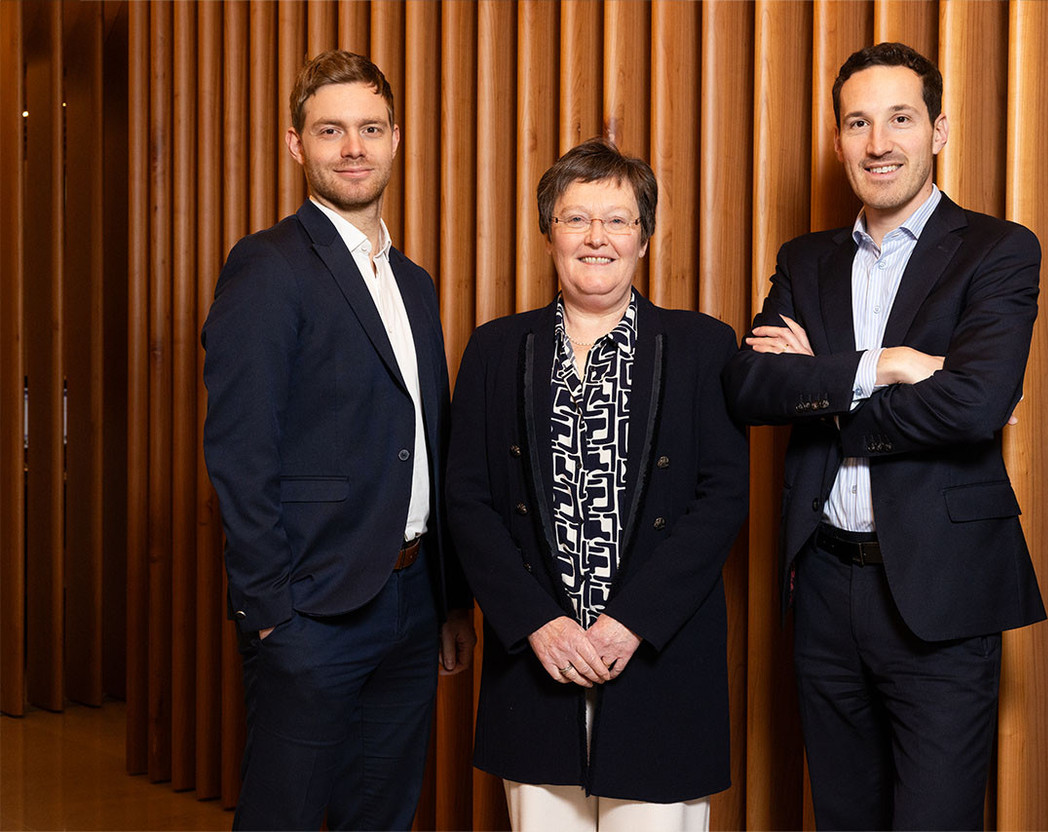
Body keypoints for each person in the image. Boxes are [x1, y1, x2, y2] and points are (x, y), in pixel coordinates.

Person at [722, 42, 1045, 830]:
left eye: (899, 119)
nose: (877, 143)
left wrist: (827, 389)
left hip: (940, 590)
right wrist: (889, 364)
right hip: (824, 587)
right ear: (837, 140)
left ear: (937, 130)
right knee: (841, 815)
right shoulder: (805, 261)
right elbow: (749, 387)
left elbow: (972, 406)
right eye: (857, 122)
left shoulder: (997, 250)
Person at [201, 50, 474, 831]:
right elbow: (240, 451)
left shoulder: (414, 283)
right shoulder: (267, 267)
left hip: (411, 601)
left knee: (381, 816)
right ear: (296, 145)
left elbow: (431, 442)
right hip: (311, 611)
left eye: (370, 128)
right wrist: (270, 612)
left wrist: (450, 602)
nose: (353, 147)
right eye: (331, 130)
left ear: (396, 140)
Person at [446, 138, 748, 832]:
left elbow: (722, 495)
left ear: (644, 236)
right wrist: (535, 624)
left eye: (616, 220)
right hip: (537, 663)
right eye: (576, 218)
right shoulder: (496, 349)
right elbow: (468, 499)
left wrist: (631, 622)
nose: (596, 239)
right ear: (547, 230)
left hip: (657, 661)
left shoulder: (703, 346)